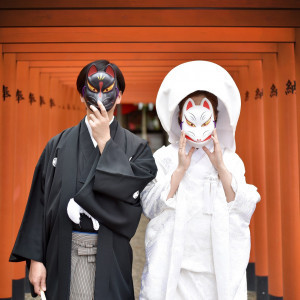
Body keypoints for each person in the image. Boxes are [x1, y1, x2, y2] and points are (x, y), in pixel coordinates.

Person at [10, 59, 157, 300]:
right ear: (82, 95)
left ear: (119, 96)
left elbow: (130, 202)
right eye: (92, 90)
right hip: (62, 251)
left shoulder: (138, 148)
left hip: (111, 254)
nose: (100, 97)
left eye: (109, 91)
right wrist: (36, 259)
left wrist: (105, 144)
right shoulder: (57, 146)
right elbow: (39, 203)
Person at [140, 61, 260, 300]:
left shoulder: (231, 160)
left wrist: (220, 168)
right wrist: (180, 170)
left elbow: (244, 210)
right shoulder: (164, 157)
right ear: (179, 118)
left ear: (216, 118)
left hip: (217, 270)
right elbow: (150, 207)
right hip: (174, 267)